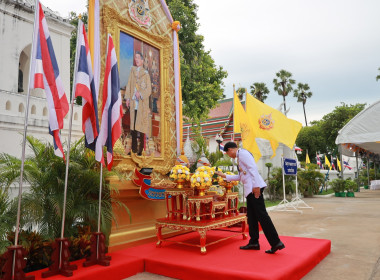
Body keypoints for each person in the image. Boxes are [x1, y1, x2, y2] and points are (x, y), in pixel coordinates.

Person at [215, 141, 285, 254]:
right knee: (252, 217)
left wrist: (256, 186)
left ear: (230, 150)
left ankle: (276, 242)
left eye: (227, 153)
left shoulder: (242, 154)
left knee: (262, 216)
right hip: (250, 190)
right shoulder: (239, 157)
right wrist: (225, 176)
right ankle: (254, 242)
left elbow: (253, 169)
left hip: (254, 188)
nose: (229, 155)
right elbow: (242, 176)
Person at [124, 51, 152, 155]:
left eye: (138, 58)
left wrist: (140, 94)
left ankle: (141, 150)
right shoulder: (132, 71)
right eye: (135, 58)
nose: (136, 60)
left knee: (142, 127)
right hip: (133, 104)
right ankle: (133, 150)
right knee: (134, 128)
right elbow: (129, 85)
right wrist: (127, 98)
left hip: (142, 104)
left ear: (142, 60)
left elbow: (148, 89)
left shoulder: (146, 74)